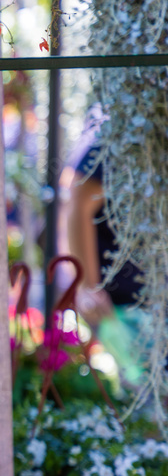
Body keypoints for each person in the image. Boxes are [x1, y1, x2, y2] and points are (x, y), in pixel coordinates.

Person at [63, 111, 145, 385]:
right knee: (146, 396)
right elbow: (79, 201)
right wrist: (89, 286)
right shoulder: (118, 117)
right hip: (124, 302)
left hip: (144, 293)